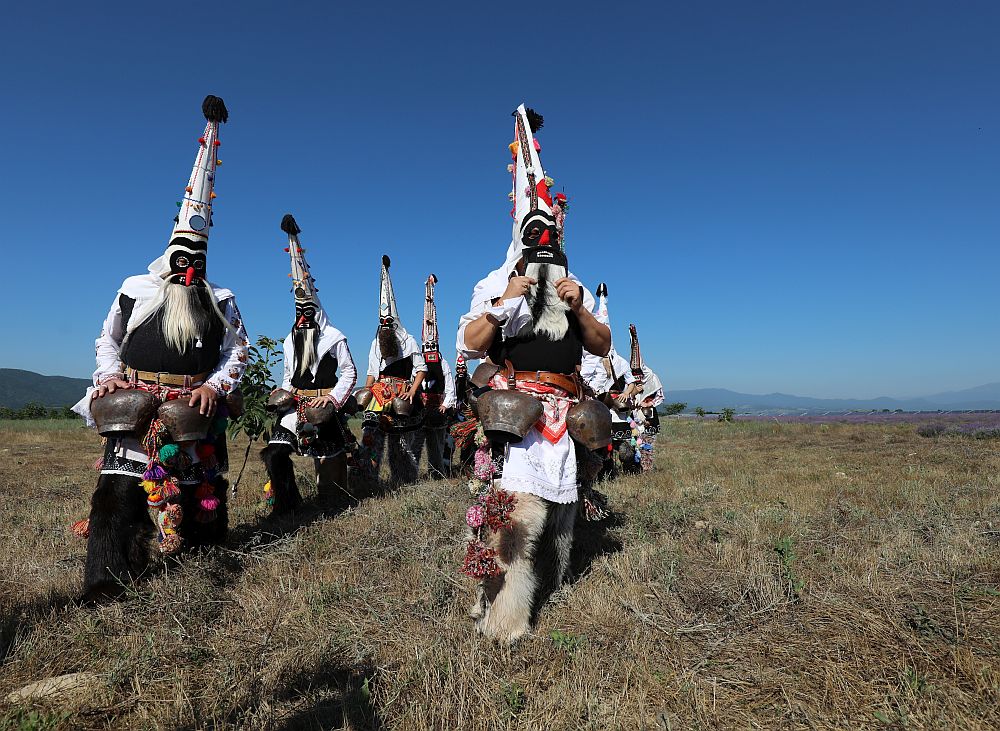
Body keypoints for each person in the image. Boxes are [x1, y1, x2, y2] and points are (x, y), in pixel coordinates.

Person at [71, 95, 248, 602]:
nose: (188, 264)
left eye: (198, 255)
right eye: (182, 254)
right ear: (169, 250)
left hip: (193, 405)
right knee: (118, 492)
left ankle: (205, 555)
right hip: (137, 403)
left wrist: (216, 386)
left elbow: (238, 351)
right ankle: (108, 578)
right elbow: (108, 339)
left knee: (199, 491)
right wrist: (108, 377)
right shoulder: (136, 289)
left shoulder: (221, 300)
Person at [456, 104, 611, 642]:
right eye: (534, 235)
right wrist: (504, 302)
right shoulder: (498, 286)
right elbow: (470, 343)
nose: (544, 243)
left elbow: (602, 344)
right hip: (514, 412)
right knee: (513, 516)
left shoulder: (575, 289)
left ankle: (548, 583)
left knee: (558, 513)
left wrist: (580, 307)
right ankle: (505, 614)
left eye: (551, 237)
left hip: (564, 412)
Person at [259, 214, 358, 513]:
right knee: (275, 452)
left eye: (308, 312)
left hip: (324, 406)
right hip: (296, 405)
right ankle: (286, 504)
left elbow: (349, 372)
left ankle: (332, 504)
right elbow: (290, 375)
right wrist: (281, 392)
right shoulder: (290, 340)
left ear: (317, 311)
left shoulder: (334, 337)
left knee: (328, 464)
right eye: (299, 311)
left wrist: (333, 398)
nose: (303, 317)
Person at [356, 255, 427, 487]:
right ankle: (368, 480)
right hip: (379, 393)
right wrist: (366, 395)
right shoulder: (376, 341)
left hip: (401, 392)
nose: (385, 326)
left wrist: (412, 391)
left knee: (400, 442)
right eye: (382, 323)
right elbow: (371, 371)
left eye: (389, 323)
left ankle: (403, 481)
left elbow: (420, 369)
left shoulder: (408, 340)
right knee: (371, 438)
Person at [409, 274, 457, 479]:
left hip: (437, 408)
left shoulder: (442, 362)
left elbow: (450, 385)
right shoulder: (418, 363)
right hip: (421, 409)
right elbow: (413, 380)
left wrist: (447, 403)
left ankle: (437, 472)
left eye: (432, 346)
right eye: (426, 346)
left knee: (436, 442)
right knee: (416, 442)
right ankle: (411, 473)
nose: (429, 348)